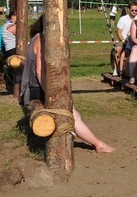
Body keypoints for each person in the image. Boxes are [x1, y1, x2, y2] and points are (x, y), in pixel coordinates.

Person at [20, 16, 115, 153]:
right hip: (36, 91)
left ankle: (96, 143)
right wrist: (51, 94)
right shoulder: (41, 40)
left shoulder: (37, 37)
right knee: (71, 115)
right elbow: (41, 73)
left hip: (33, 88)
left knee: (74, 114)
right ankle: (98, 144)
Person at [114, 2, 137, 76]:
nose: (134, 12)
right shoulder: (123, 19)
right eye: (132, 10)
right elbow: (119, 32)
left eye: (135, 10)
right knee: (118, 49)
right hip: (123, 39)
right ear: (128, 10)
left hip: (134, 40)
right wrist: (123, 41)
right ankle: (116, 68)